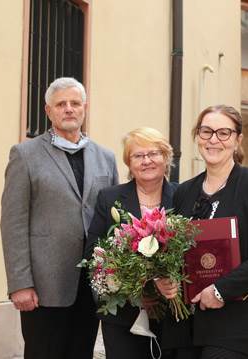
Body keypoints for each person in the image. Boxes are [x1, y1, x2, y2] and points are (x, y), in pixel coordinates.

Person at [0, 77, 119, 359]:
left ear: (84, 108)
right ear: (48, 111)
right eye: (61, 104)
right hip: (44, 286)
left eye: (75, 103)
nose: (69, 109)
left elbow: (115, 221)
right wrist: (20, 284)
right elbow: (13, 223)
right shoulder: (25, 155)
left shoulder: (106, 158)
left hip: (92, 284)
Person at [157, 104, 248, 359]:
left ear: (238, 140)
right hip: (188, 324)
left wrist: (221, 290)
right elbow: (171, 252)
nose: (213, 139)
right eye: (206, 132)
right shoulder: (184, 191)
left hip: (241, 320)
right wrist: (163, 280)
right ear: (198, 137)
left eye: (223, 133)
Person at [85, 127, 178, 359]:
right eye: (138, 156)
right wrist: (129, 292)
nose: (146, 161)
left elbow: (194, 252)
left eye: (153, 153)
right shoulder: (110, 198)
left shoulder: (183, 195)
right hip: (123, 320)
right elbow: (92, 255)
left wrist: (172, 283)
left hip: (173, 318)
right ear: (129, 163)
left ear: (166, 158)